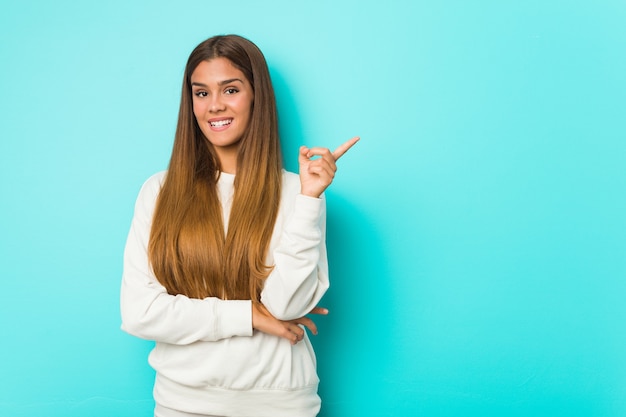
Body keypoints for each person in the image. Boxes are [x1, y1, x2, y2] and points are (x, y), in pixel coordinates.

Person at [120, 34, 358, 417]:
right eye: (201, 93)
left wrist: (310, 198)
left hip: (280, 403)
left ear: (256, 96)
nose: (214, 105)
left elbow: (287, 305)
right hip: (183, 403)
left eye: (230, 89)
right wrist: (249, 315)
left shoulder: (298, 191)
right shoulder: (159, 191)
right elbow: (140, 312)